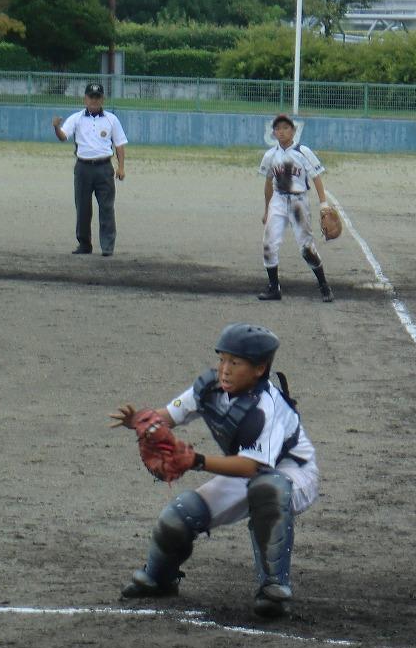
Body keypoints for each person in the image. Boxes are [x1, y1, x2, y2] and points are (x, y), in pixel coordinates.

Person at [110, 323, 320, 618]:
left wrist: (195, 460)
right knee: (180, 514)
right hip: (250, 470)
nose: (224, 369)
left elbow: (251, 466)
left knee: (267, 490)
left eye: (235, 363)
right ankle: (159, 578)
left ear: (259, 368)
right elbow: (168, 416)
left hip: (294, 474)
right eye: (222, 359)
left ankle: (274, 587)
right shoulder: (210, 389)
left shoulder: (267, 407)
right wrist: (143, 421)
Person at [257, 114, 334, 302]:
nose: (281, 132)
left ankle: (324, 286)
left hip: (299, 202)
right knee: (269, 245)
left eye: (285, 128)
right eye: (278, 129)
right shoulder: (270, 155)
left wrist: (323, 204)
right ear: (273, 133)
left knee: (306, 248)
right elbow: (268, 183)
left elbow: (316, 177)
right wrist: (267, 210)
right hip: (278, 200)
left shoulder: (303, 151)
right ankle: (274, 288)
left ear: (293, 131)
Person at [52, 82, 128, 256]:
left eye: (97, 97)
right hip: (83, 168)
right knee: (83, 208)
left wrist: (121, 167)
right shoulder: (77, 118)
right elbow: (64, 136)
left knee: (107, 207)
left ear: (103, 99)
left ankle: (107, 246)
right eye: (91, 97)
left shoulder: (111, 119)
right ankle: (84, 244)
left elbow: (120, 144)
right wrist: (56, 127)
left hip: (104, 168)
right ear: (85, 98)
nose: (94, 100)